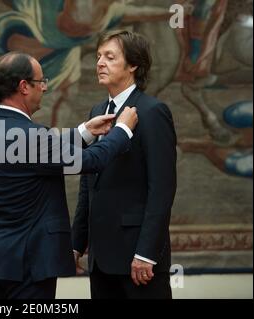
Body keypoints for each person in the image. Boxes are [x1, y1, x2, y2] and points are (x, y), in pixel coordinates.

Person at [0, 51, 138, 299]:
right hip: (29, 262)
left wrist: (84, 131)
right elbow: (91, 161)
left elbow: (36, 156)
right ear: (24, 87)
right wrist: (123, 129)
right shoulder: (31, 137)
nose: (44, 88)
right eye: (41, 82)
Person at [72, 30, 177, 299]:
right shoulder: (97, 112)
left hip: (138, 261)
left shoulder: (152, 111)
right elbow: (89, 183)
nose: (100, 63)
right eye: (98, 57)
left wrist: (146, 253)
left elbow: (162, 188)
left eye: (110, 57)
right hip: (100, 260)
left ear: (133, 65)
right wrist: (76, 243)